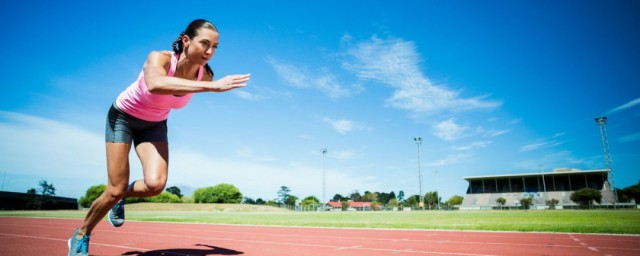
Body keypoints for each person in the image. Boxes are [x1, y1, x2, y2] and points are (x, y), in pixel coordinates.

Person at [68, 19, 250, 256]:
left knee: (155, 184)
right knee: (115, 188)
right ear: (186, 40)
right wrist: (213, 87)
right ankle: (81, 235)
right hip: (123, 117)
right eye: (204, 43)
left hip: (154, 124)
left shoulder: (204, 75)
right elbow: (154, 84)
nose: (209, 51)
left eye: (215, 47)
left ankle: (120, 197)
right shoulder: (160, 58)